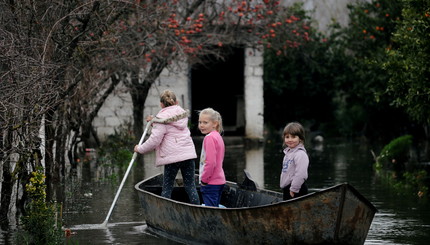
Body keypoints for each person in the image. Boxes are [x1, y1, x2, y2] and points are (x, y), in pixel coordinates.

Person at [134, 90, 200, 205]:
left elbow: (154, 140)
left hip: (172, 158)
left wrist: (140, 149)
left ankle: (166, 212)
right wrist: (154, 121)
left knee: (167, 188)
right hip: (188, 156)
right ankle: (198, 211)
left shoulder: (161, 119)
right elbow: (170, 125)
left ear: (161, 104)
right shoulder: (182, 115)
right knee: (190, 186)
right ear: (177, 102)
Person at [198, 108, 226, 207]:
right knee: (215, 208)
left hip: (210, 182)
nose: (201, 125)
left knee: (211, 212)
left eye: (205, 122)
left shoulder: (209, 138)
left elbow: (210, 162)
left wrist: (204, 180)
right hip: (220, 180)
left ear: (215, 124)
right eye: (200, 122)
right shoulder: (218, 136)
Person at [280, 122, 309, 200]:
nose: (290, 140)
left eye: (293, 137)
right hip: (287, 189)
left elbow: (301, 174)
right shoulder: (288, 153)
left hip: (296, 190)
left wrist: (294, 189)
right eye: (287, 137)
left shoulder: (300, 154)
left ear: (300, 138)